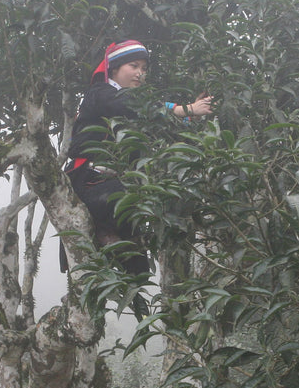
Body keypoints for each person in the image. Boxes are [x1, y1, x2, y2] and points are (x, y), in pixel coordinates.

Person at [63, 40, 214, 283]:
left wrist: (190, 117)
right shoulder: (100, 93)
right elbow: (128, 105)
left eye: (144, 69)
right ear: (113, 69)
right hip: (90, 183)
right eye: (134, 66)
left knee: (138, 271)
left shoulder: (136, 105)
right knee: (138, 191)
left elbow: (154, 125)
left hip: (117, 190)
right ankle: (103, 235)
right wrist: (184, 109)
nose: (140, 74)